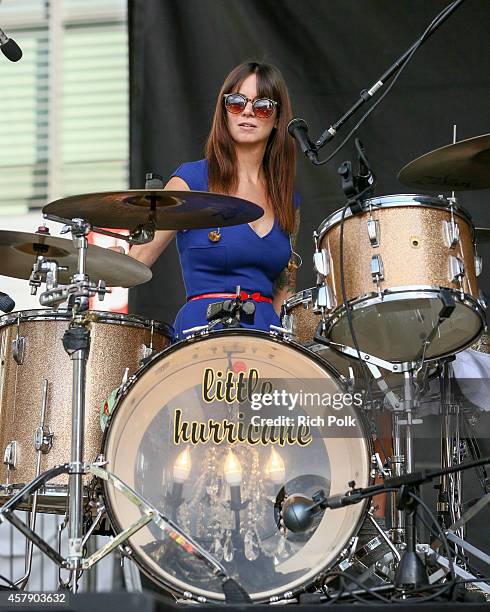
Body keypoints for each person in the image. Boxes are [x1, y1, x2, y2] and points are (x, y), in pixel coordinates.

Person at [129, 61, 300, 339]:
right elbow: (136, 260)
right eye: (236, 102)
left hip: (267, 341)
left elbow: (284, 289)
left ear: (278, 118)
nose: (248, 111)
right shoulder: (191, 181)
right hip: (203, 334)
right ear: (224, 111)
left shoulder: (287, 198)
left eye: (262, 106)